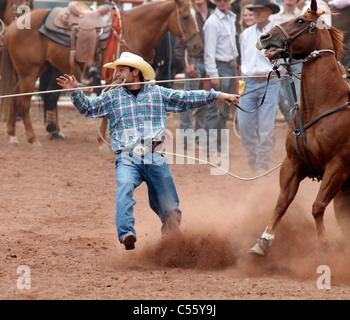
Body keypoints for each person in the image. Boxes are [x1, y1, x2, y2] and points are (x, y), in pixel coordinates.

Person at [57, 52, 239, 250]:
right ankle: (126, 233)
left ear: (135, 72)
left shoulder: (157, 93)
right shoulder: (112, 97)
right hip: (127, 156)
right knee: (125, 186)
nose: (117, 74)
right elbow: (88, 108)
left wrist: (218, 95)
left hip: (154, 155)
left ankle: (171, 244)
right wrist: (75, 91)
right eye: (117, 70)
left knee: (170, 207)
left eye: (121, 70)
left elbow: (186, 98)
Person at [237, 0, 281, 174]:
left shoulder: (277, 33)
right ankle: (253, 161)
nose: (256, 13)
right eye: (254, 10)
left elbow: (284, 60)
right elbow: (243, 60)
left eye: (260, 10)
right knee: (244, 124)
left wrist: (278, 72)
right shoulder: (246, 34)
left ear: (269, 12)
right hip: (248, 82)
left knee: (265, 127)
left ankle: (261, 165)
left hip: (270, 82)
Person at [175, 0, 213, 148]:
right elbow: (179, 45)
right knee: (188, 100)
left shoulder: (213, 15)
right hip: (195, 62)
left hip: (209, 63)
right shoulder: (190, 16)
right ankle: (186, 138)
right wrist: (186, 64)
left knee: (204, 101)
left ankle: (199, 136)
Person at [203, 0, 239, 156]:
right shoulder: (212, 22)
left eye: (225, 0)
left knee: (224, 108)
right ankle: (212, 147)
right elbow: (209, 52)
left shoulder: (231, 17)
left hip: (230, 66)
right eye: (219, 0)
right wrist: (213, 74)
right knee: (215, 108)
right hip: (221, 67)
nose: (222, 2)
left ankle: (219, 146)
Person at [271, 0, 302, 123]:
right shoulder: (274, 17)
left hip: (297, 60)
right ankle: (292, 125)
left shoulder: (301, 15)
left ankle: (297, 126)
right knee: (282, 99)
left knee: (297, 98)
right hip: (278, 61)